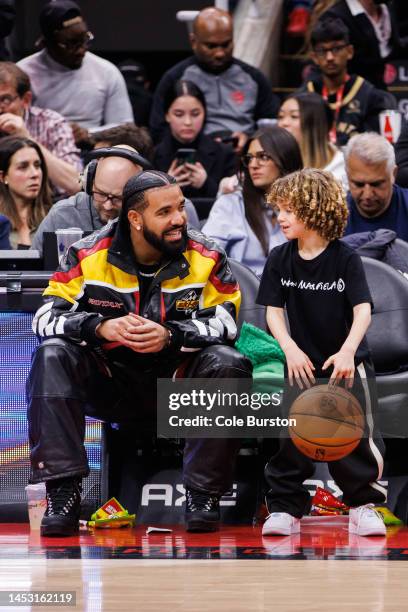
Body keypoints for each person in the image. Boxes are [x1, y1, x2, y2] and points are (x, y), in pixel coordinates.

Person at [26, 169, 252, 536]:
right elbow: (45, 317)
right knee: (52, 353)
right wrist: (97, 327)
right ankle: (63, 494)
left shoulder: (207, 256)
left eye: (180, 208)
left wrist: (170, 336)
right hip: (110, 384)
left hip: (177, 387)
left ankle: (203, 495)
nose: (179, 219)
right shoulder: (86, 254)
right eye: (164, 212)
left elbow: (228, 323)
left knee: (229, 362)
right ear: (134, 218)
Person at [257, 168, 386, 537]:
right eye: (277, 209)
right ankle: (284, 508)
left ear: (315, 211)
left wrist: (347, 352)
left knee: (357, 438)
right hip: (300, 364)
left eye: (288, 210)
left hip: (346, 365)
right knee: (290, 438)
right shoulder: (280, 258)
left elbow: (363, 310)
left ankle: (364, 505)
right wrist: (289, 348)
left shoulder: (346, 259)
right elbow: (273, 310)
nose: (279, 217)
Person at [150, 7, 279, 152]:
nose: (219, 53)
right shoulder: (174, 78)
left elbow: (272, 128)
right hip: (194, 156)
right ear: (193, 41)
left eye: (226, 44)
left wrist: (250, 141)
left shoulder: (254, 78)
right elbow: (158, 130)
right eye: (211, 46)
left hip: (246, 157)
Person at [31, 145, 200, 256]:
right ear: (89, 184)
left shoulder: (174, 210)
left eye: (118, 198)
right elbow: (34, 272)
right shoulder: (63, 214)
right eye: (101, 194)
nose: (107, 204)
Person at [17, 0, 133, 147]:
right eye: (71, 44)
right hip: (39, 150)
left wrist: (89, 134)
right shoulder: (24, 73)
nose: (81, 50)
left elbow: (126, 128)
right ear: (46, 43)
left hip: (93, 151)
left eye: (84, 39)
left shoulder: (106, 72)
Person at [202, 126, 302, 276]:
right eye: (249, 158)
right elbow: (203, 257)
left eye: (263, 157)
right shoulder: (231, 204)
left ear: (285, 159)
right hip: (244, 295)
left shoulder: (307, 205)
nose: (253, 165)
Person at [301, 18, 396, 146]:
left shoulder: (371, 98)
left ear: (350, 51)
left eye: (336, 49)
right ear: (314, 58)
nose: (329, 57)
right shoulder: (303, 97)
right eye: (322, 51)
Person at [0, 62, 81, 196]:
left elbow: (76, 183)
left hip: (47, 207)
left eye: (5, 100)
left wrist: (25, 137)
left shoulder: (51, 123)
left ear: (25, 100)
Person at [153, 79, 236, 199]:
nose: (188, 122)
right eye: (179, 114)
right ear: (167, 115)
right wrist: (166, 188)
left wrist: (206, 184)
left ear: (204, 114)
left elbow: (234, 203)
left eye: (195, 114)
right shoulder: (153, 155)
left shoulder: (224, 153)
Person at [321, 0, 404, 89]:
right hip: (351, 93)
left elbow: (394, 49)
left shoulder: (387, 9)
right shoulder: (335, 18)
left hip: (381, 93)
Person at [343, 132, 408, 241]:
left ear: (393, 174)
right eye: (359, 185)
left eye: (376, 184)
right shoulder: (329, 219)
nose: (367, 195)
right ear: (347, 175)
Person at [277, 92, 347, 187]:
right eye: (280, 117)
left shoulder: (341, 169)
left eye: (294, 116)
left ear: (316, 125)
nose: (283, 123)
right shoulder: (274, 161)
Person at [0, 136, 51, 248]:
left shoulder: (55, 218)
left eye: (37, 165)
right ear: (3, 177)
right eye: (23, 167)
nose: (35, 174)